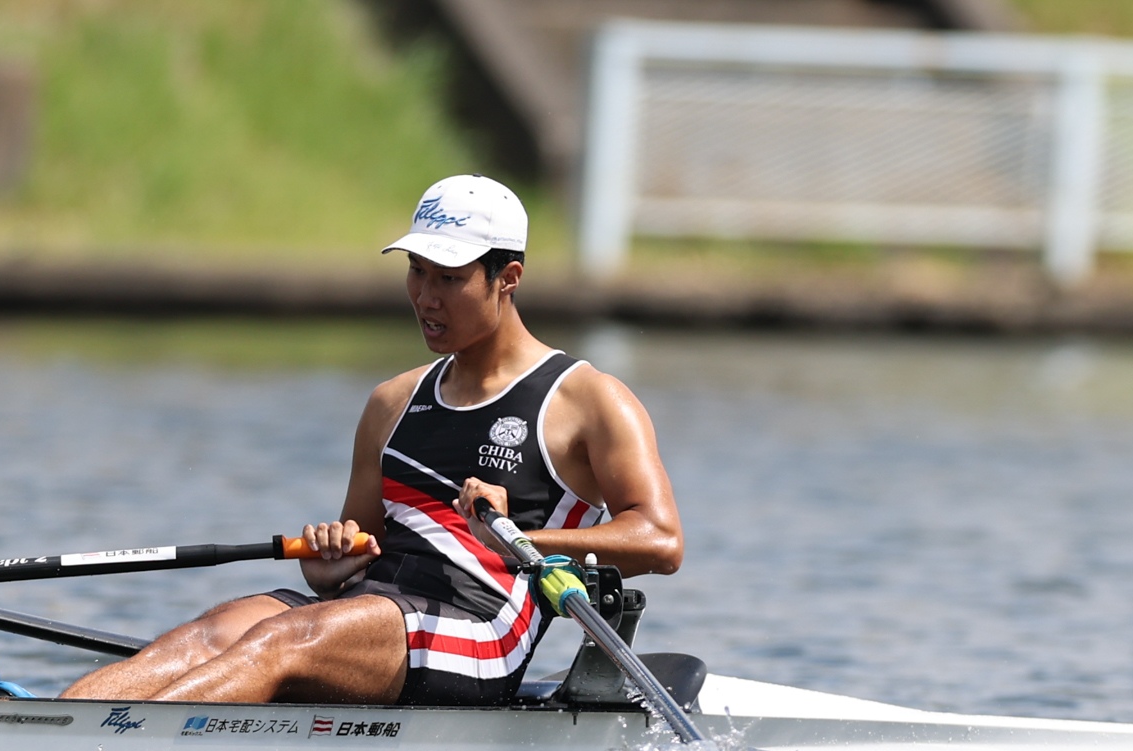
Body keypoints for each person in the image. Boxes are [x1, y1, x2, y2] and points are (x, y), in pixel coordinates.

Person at [63, 175, 682, 705]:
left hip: (483, 629)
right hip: (371, 610)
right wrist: (327, 566)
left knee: (280, 640)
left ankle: (116, 742)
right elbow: (355, 552)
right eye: (416, 271)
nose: (426, 297)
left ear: (507, 277)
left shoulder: (588, 400)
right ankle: (47, 727)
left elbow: (659, 540)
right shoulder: (393, 401)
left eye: (449, 278)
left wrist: (518, 538)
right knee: (210, 634)